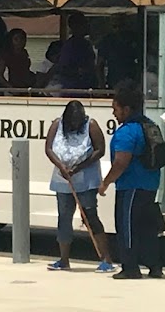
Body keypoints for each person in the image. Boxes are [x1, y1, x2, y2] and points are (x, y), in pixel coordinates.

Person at [99, 80, 163, 280]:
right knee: (147, 228)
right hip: (150, 185)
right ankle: (155, 265)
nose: (114, 113)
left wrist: (106, 182)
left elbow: (121, 162)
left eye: (115, 109)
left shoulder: (127, 132)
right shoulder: (150, 126)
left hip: (131, 186)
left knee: (127, 227)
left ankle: (130, 266)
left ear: (126, 109)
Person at [44, 100, 114, 272]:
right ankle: (64, 259)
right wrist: (62, 167)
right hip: (63, 178)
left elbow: (100, 150)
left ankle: (106, 259)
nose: (75, 124)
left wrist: (78, 167)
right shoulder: (56, 124)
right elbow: (48, 149)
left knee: (90, 216)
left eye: (78, 120)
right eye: (72, 121)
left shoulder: (91, 125)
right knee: (64, 217)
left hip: (86, 178)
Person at [52, 12, 96, 92]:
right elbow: (63, 68)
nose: (87, 25)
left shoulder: (86, 44)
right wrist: (80, 71)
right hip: (73, 89)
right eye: (84, 23)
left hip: (87, 87)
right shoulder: (70, 46)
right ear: (75, 26)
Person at [96, 15, 138, 89]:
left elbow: (142, 61)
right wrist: (102, 87)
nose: (118, 29)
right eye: (115, 26)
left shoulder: (135, 39)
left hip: (133, 81)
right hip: (114, 82)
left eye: (121, 26)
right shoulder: (107, 41)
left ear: (127, 26)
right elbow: (100, 65)